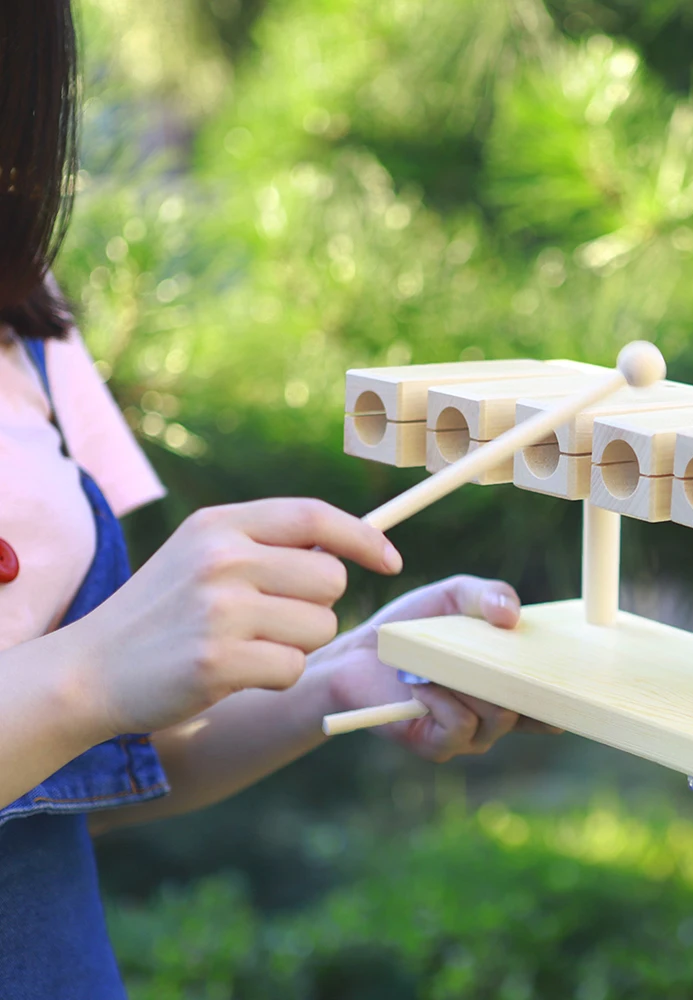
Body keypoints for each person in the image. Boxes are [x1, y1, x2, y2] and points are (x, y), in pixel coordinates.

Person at [0, 3, 550, 995]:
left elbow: (75, 775)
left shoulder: (26, 318)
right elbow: (81, 689)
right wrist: (88, 670)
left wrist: (337, 680)